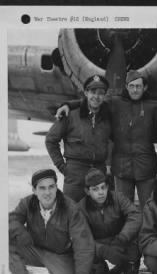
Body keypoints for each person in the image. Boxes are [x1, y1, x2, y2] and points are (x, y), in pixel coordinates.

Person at [55, 70, 157, 209]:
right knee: (123, 208)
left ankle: (149, 231)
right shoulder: (115, 103)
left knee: (150, 208)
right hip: (122, 168)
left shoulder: (154, 106)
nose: (135, 90)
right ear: (126, 86)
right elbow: (92, 102)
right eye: (132, 86)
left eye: (138, 86)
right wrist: (68, 105)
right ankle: (126, 231)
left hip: (146, 168)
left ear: (144, 87)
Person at [9, 169, 94, 274]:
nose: (47, 192)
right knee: (5, 244)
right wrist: (21, 232)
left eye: (51, 187)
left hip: (59, 255)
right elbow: (11, 220)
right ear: (34, 190)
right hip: (34, 249)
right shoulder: (27, 203)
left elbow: (84, 245)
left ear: (56, 187)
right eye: (42, 188)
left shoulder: (70, 208)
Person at [46, 74, 112, 202]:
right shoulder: (70, 115)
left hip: (98, 173)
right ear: (86, 93)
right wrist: (62, 166)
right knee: (72, 214)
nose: (96, 97)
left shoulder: (107, 117)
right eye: (93, 92)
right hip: (75, 175)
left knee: (97, 217)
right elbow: (51, 140)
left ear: (104, 96)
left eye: (100, 93)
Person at [78, 168, 143, 274]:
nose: (101, 192)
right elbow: (81, 237)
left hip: (118, 239)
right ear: (87, 191)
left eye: (103, 187)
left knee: (135, 238)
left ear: (107, 187)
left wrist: (122, 238)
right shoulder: (81, 208)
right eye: (95, 189)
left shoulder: (118, 197)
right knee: (85, 250)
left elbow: (135, 215)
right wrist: (102, 250)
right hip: (98, 243)